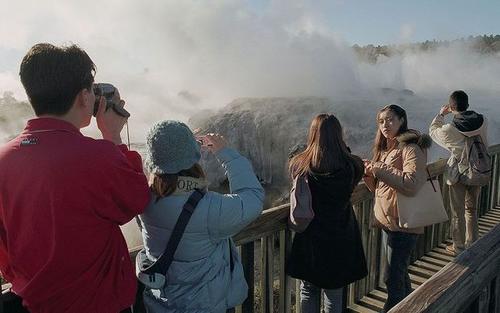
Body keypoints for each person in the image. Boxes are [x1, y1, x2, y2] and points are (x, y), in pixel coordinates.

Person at [0, 43, 150, 313]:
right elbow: (137, 198)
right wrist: (114, 137)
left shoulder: (3, 159)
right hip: (99, 304)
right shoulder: (98, 156)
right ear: (83, 97)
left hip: (31, 303)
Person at [138, 120, 265, 313]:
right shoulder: (208, 208)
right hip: (205, 305)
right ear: (192, 159)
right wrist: (227, 154)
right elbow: (253, 198)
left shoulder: (143, 199)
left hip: (162, 304)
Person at [286, 114, 368, 313]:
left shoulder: (300, 164)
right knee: (334, 292)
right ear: (339, 135)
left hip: (311, 235)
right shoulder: (353, 165)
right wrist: (343, 150)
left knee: (308, 290)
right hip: (341, 234)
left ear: (313, 134)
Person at [363, 104, 431, 312]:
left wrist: (379, 168)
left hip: (403, 221)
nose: (385, 125)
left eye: (391, 119)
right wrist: (368, 174)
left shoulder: (411, 148)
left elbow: (411, 183)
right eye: (381, 121)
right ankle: (411, 306)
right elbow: (379, 189)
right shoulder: (387, 148)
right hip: (389, 220)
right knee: (399, 273)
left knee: (392, 277)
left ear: (402, 120)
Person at [429, 90, 488, 255]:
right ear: (468, 105)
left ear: (450, 107)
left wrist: (441, 115)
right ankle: (473, 242)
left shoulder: (449, 129)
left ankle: (459, 247)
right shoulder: (483, 120)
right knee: (472, 209)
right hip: (478, 169)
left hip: (458, 173)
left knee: (458, 212)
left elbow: (433, 131)